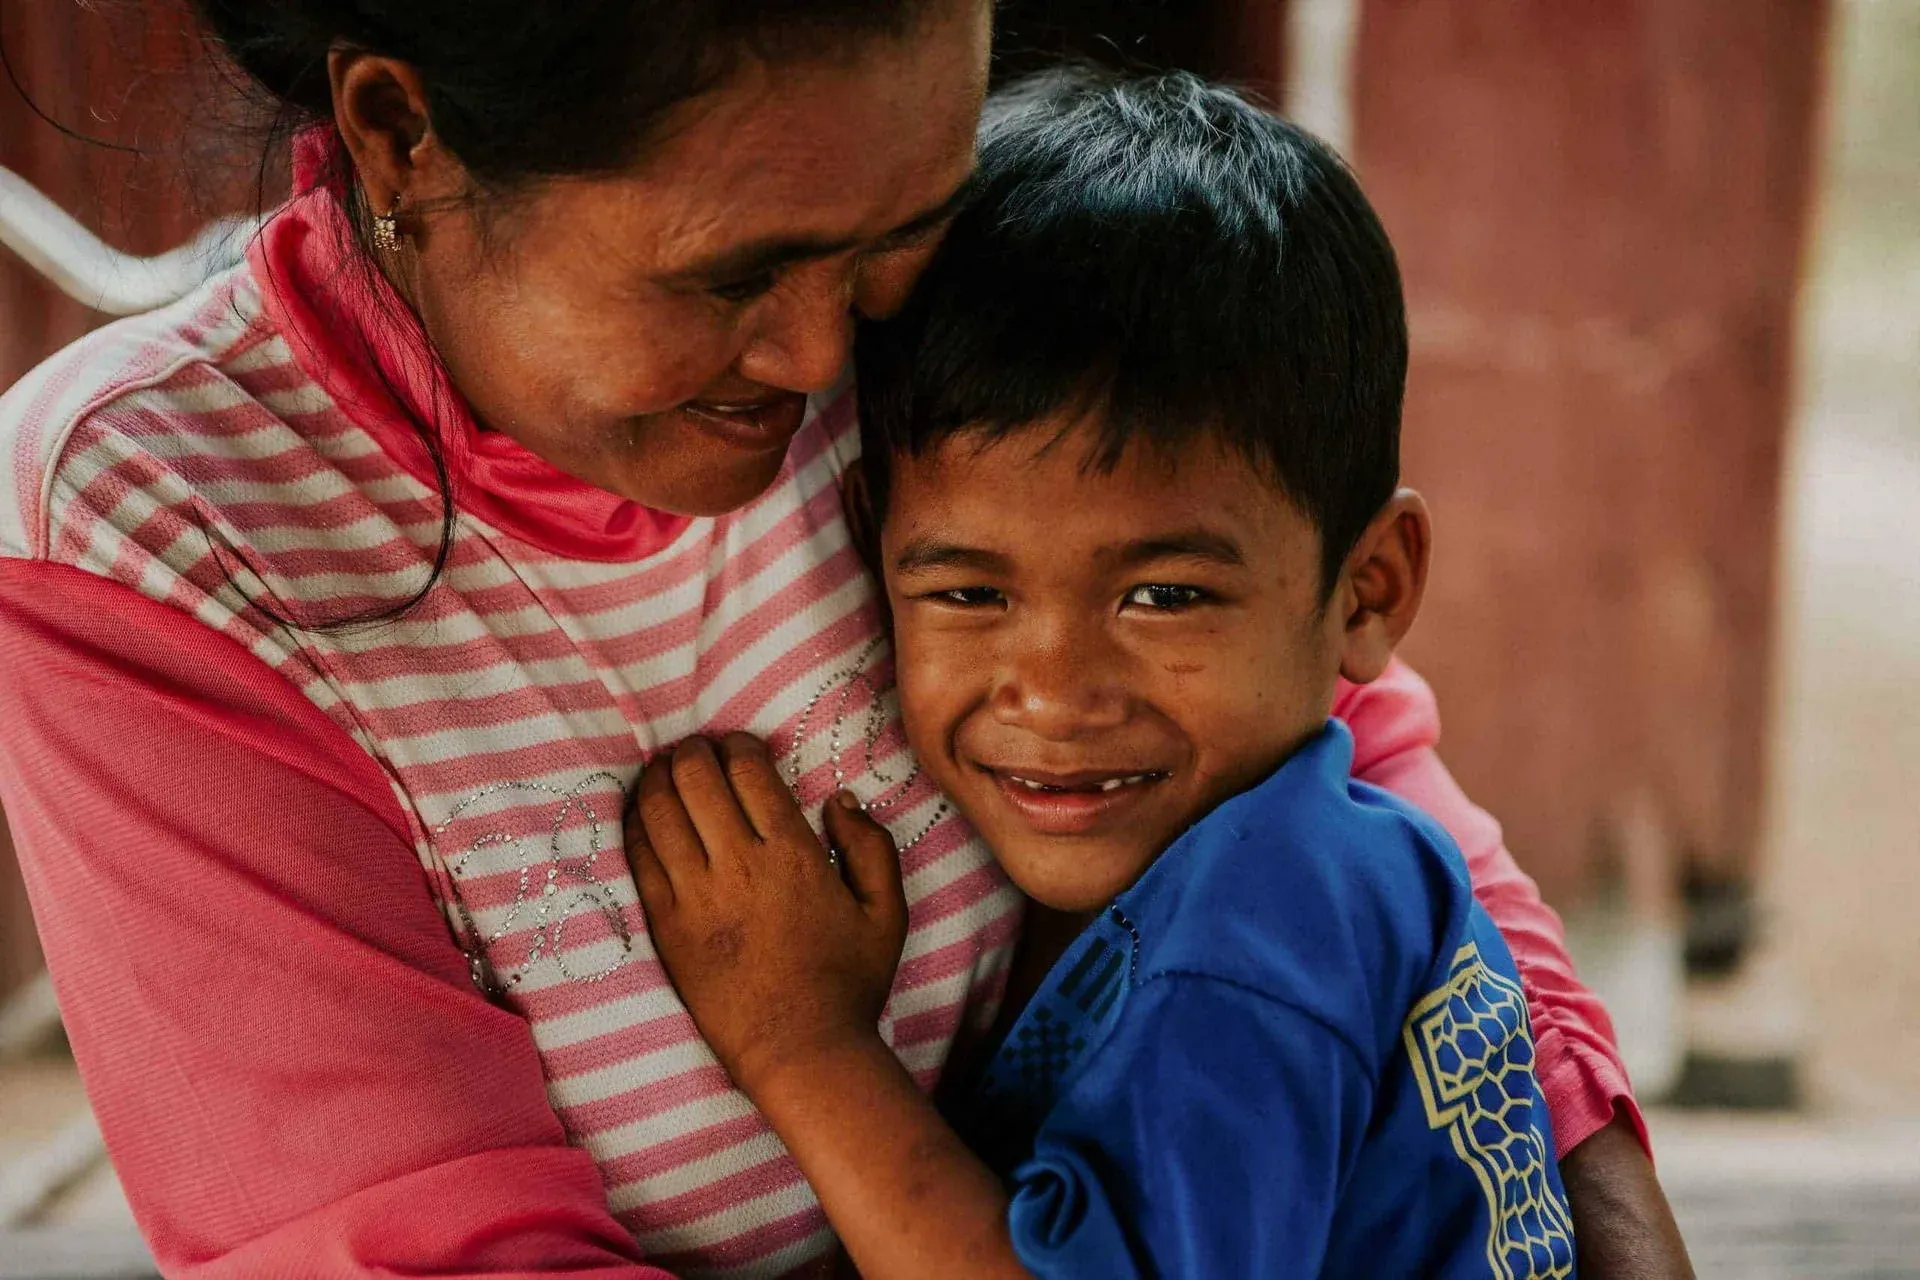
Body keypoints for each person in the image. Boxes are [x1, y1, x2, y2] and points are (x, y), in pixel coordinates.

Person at [0, 3, 1676, 1276]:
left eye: (897, 240)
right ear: (398, 132)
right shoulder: (163, 527)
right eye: (738, 276)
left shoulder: (930, 303)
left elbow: (1315, 730)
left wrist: (1579, 1162)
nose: (825, 362)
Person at [625, 70, 1578, 1278]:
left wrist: (801, 1041)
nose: (1055, 690)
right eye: (971, 592)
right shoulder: (1329, 871)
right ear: (868, 544)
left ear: (1368, 588)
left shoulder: (1260, 927)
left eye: (1165, 594)